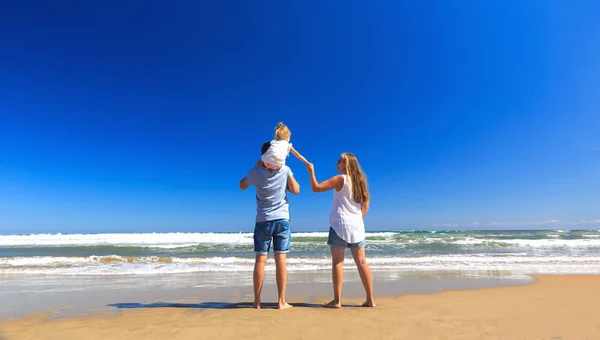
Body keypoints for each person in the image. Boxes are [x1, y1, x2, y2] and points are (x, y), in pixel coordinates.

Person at [305, 153, 375, 308]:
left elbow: (316, 188)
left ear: (346, 165)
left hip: (339, 225)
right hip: (357, 226)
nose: (337, 163)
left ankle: (337, 301)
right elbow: (366, 206)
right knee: (362, 262)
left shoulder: (340, 179)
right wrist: (357, 219)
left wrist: (311, 171)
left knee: (338, 262)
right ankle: (370, 299)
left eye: (340, 161)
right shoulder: (361, 183)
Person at [240, 142, 300, 309]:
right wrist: (289, 174)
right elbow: (296, 190)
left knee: (260, 261)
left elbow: (242, 185)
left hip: (263, 220)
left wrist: (254, 168)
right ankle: (281, 301)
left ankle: (257, 302)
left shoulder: (256, 172)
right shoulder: (285, 170)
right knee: (281, 261)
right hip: (282, 220)